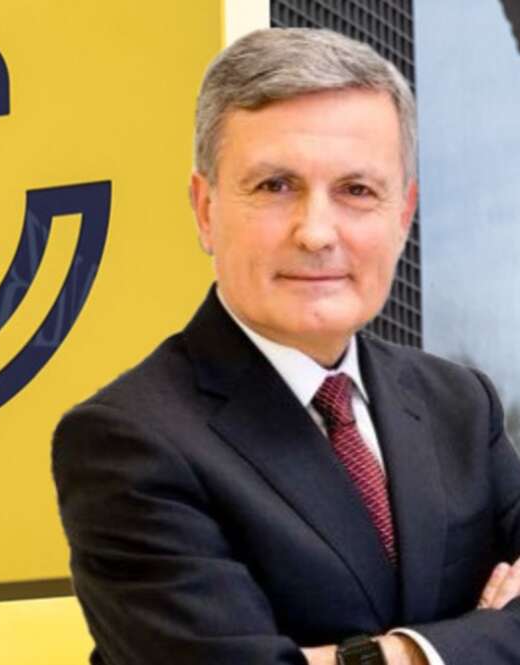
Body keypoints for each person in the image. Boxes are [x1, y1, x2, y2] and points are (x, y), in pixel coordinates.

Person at [52, 28, 520, 665]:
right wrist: (439, 648)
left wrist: (359, 655)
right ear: (205, 210)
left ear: (403, 215)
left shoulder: (459, 404)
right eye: (276, 186)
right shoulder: (127, 441)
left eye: (357, 190)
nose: (316, 233)